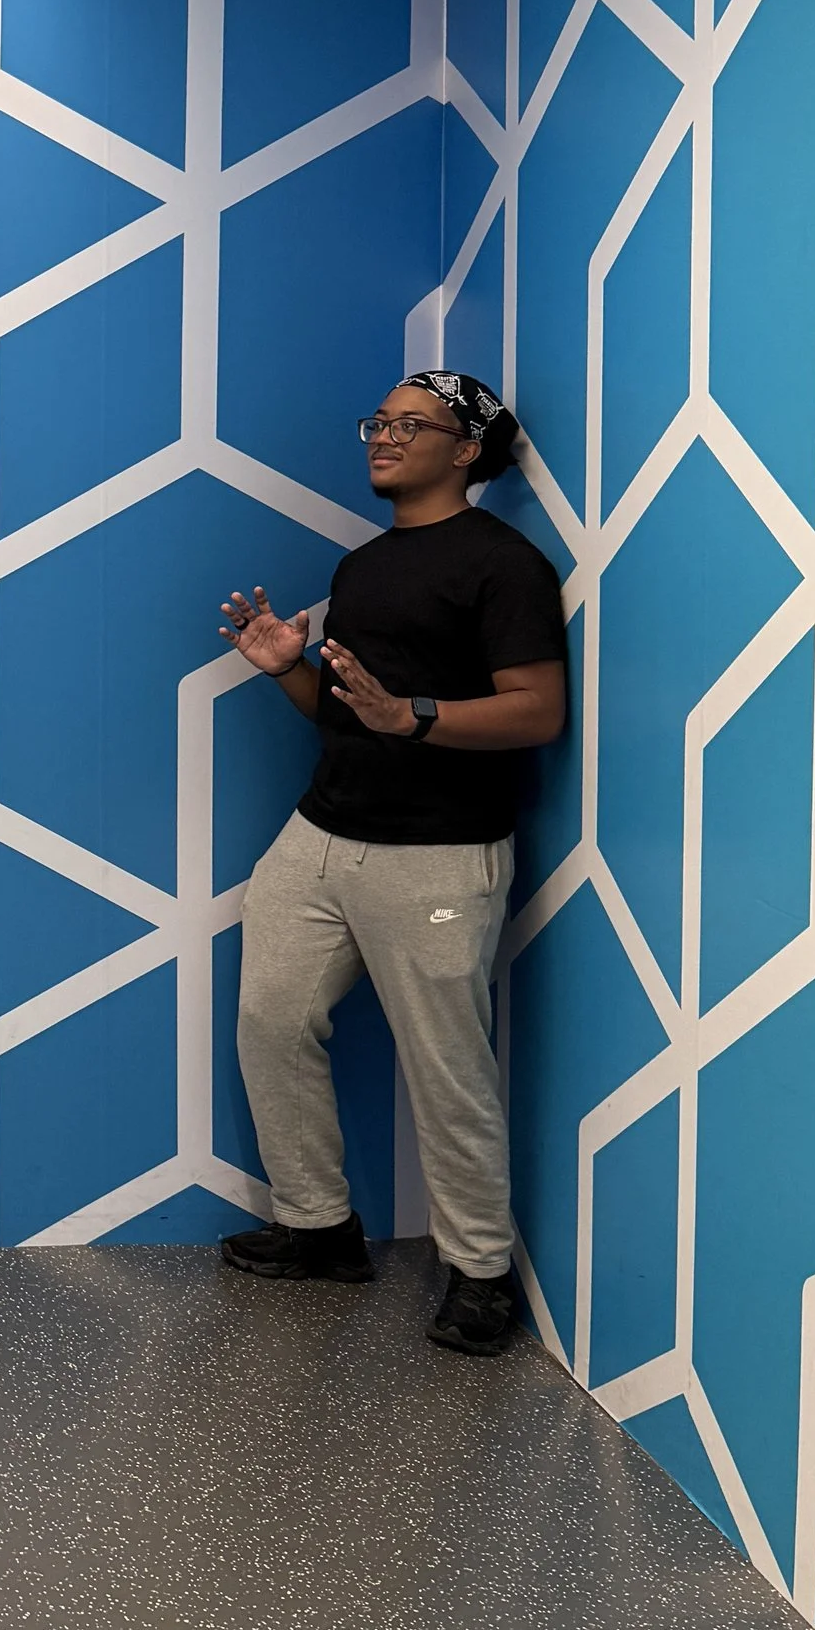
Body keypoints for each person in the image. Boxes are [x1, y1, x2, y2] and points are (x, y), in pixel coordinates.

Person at [216, 372, 566, 1357]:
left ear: (466, 451)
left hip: (439, 859)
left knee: (448, 1072)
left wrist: (410, 714)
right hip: (319, 836)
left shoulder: (506, 568)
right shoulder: (364, 566)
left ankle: (480, 1273)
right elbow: (346, 714)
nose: (382, 437)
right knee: (269, 1021)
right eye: (377, 420)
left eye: (410, 425)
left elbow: (536, 713)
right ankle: (319, 1228)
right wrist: (287, 666)